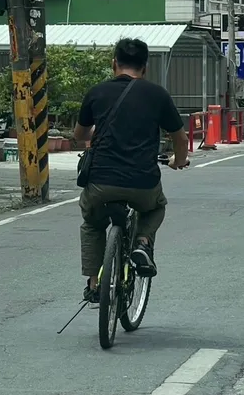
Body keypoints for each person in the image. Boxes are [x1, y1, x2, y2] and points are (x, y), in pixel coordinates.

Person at [74, 37, 189, 303]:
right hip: (143, 182)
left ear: (114, 63)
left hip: (100, 181)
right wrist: (178, 160)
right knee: (156, 207)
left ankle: (94, 283)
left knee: (92, 223)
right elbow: (180, 139)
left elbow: (80, 135)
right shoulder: (157, 94)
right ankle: (142, 243)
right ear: (145, 68)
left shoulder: (97, 92)